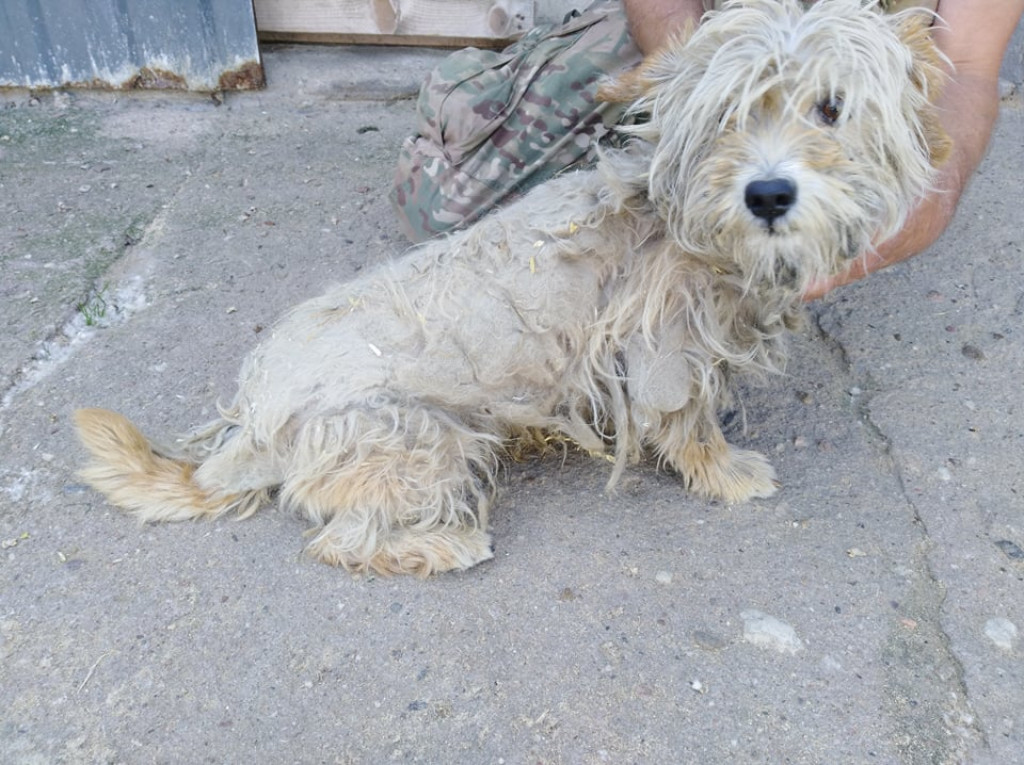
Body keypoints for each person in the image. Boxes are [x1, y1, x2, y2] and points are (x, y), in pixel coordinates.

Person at [391, 0, 1024, 300]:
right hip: (719, 28)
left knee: (886, 189)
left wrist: (933, 190)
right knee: (445, 209)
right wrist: (701, 87)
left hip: (870, 41)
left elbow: (966, 61)